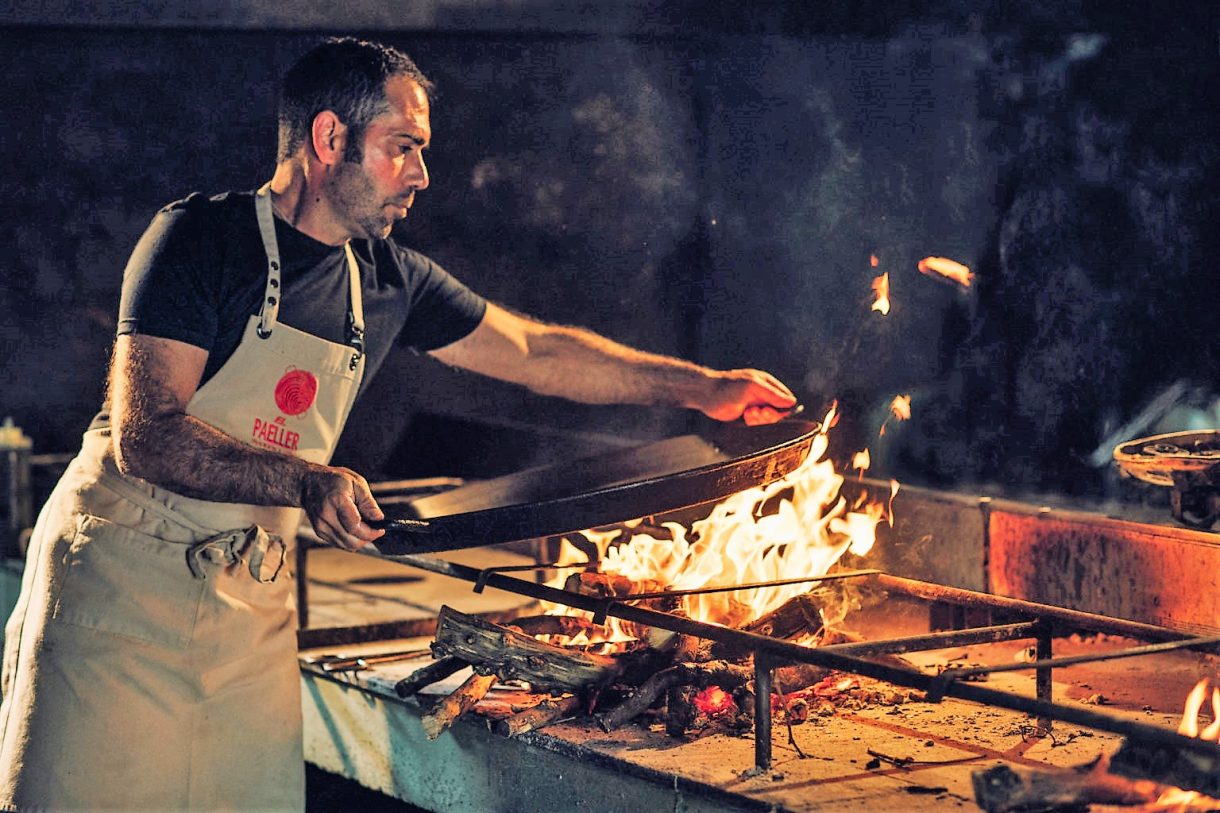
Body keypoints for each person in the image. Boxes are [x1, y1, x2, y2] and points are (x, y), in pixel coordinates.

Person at [0, 37, 796, 811]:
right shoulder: (201, 239)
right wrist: (304, 480)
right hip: (122, 596)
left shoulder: (388, 280)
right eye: (403, 147)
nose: (421, 173)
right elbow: (148, 434)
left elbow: (536, 351)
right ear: (328, 137)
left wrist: (705, 387)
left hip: (250, 609)